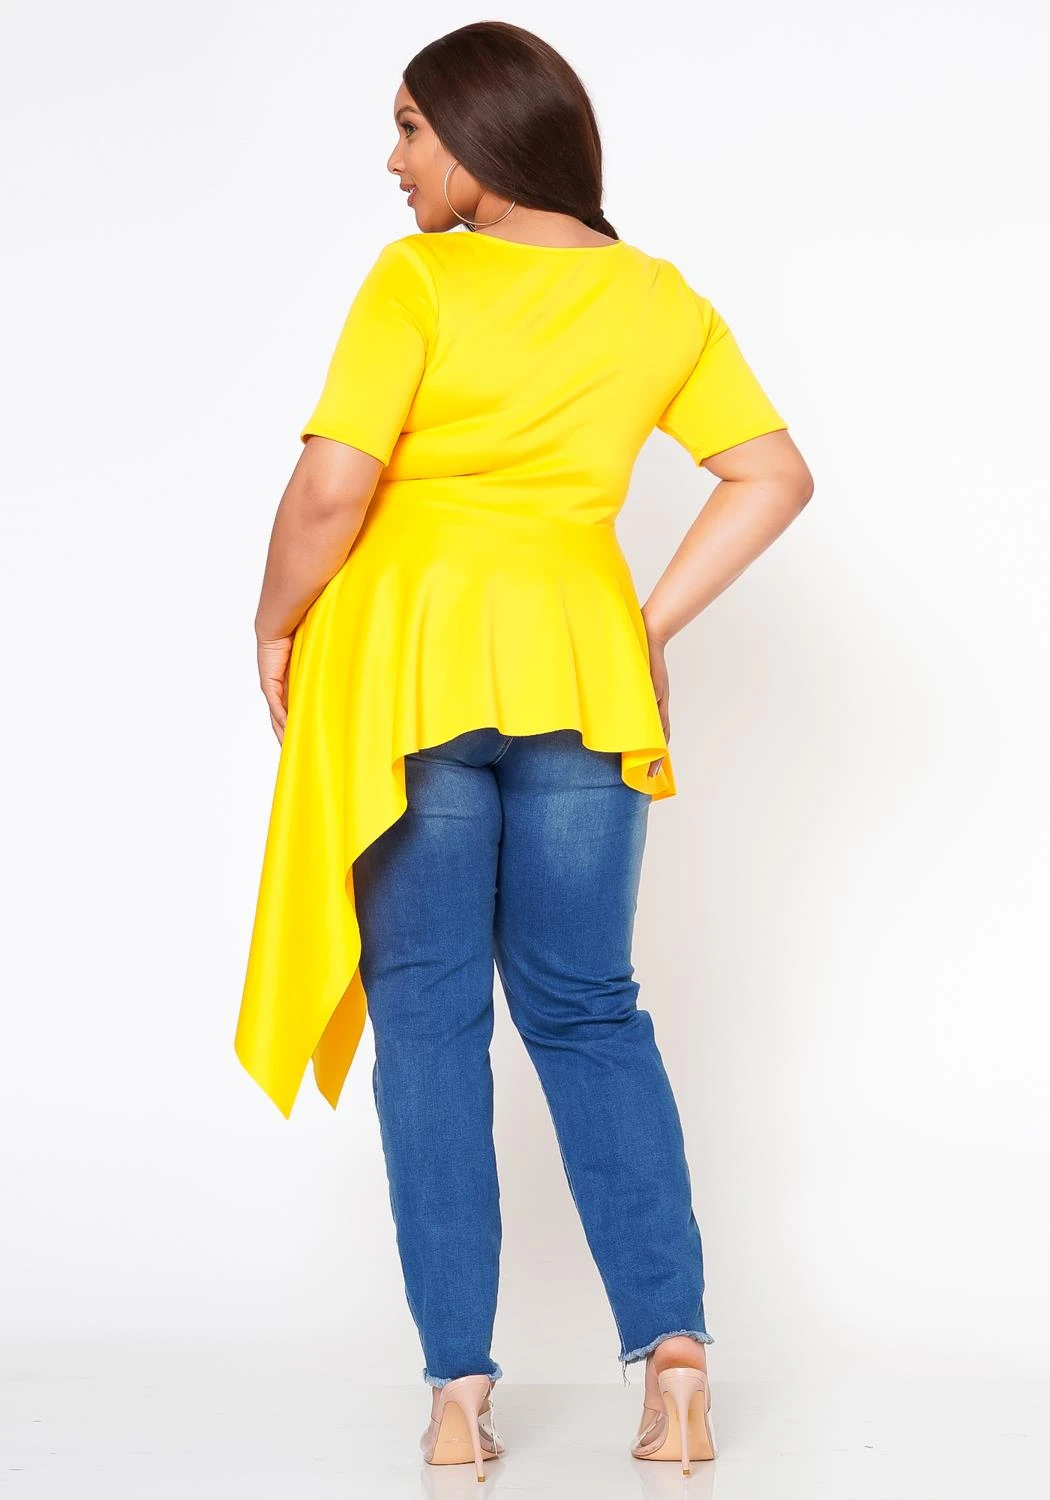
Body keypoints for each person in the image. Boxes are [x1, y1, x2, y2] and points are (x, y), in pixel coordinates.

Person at [234, 19, 813, 1480]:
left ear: (482, 137)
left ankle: (457, 1396)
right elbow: (770, 475)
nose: (395, 160)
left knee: (429, 1021)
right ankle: (676, 1371)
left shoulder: (419, 278)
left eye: (411, 128)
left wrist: (272, 623)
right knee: (590, 1011)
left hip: (410, 672)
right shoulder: (657, 297)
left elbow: (331, 488)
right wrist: (643, 624)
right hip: (578, 669)